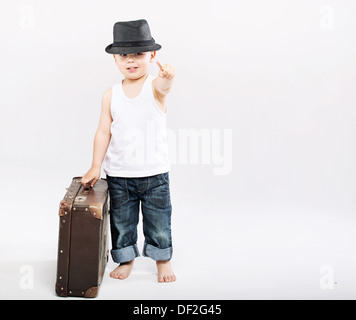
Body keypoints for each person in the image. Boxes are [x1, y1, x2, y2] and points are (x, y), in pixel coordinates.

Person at [81, 19, 176, 282]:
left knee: (158, 222)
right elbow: (103, 131)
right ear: (115, 59)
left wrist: (168, 77)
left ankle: (162, 260)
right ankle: (126, 258)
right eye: (124, 55)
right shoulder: (110, 95)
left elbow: (165, 89)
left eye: (138, 54)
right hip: (120, 174)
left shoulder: (154, 86)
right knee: (122, 223)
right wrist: (95, 166)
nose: (131, 61)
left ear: (152, 55)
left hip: (154, 174)